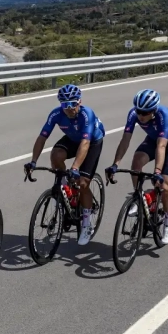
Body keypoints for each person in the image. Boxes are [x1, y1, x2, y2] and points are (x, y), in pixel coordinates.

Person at [24, 84, 105, 245]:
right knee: (55, 155)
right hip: (73, 139)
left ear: (79, 101)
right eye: (64, 105)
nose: (69, 108)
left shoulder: (86, 114)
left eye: (72, 104)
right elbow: (42, 138)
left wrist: (75, 167)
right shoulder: (56, 114)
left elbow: (85, 144)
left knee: (82, 183)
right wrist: (33, 161)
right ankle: (66, 187)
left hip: (91, 141)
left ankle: (87, 223)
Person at [105, 89, 168, 245]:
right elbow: (125, 140)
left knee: (165, 185)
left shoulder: (164, 115)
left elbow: (162, 146)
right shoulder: (133, 114)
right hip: (154, 139)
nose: (140, 115)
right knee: (136, 162)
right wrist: (115, 164)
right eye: (138, 111)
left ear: (153, 110)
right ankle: (139, 197)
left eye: (145, 112)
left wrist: (157, 172)